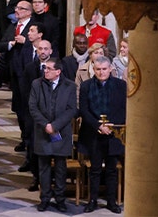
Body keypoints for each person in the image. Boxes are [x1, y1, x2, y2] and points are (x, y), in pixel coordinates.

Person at [29, 58, 78, 213]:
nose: (46, 71)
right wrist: (46, 125)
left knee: (60, 168)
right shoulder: (37, 84)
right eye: (45, 68)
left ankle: (60, 199)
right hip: (43, 131)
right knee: (43, 167)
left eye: (49, 69)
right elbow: (33, 107)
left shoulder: (70, 86)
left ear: (58, 71)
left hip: (61, 132)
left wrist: (55, 125)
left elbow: (71, 109)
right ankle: (44, 198)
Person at [78, 56, 125, 214]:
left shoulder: (121, 86)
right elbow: (84, 110)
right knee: (95, 170)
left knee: (111, 169)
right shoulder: (86, 86)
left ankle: (111, 202)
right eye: (98, 69)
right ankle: (92, 201)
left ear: (110, 68)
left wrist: (112, 125)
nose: (101, 72)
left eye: (104, 69)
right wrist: (98, 125)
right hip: (93, 133)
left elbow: (124, 109)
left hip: (114, 134)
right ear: (93, 69)